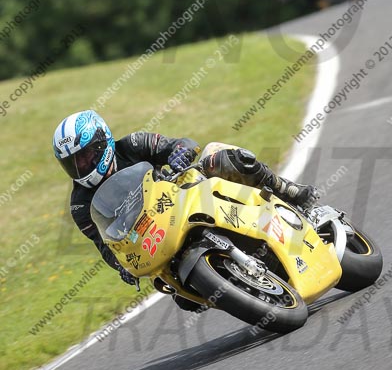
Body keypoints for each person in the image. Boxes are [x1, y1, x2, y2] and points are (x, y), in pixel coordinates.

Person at [53, 110, 318, 311]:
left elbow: (184, 143)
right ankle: (243, 289)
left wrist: (178, 155)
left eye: (85, 156)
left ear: (102, 143)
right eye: (72, 163)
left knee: (220, 156)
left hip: (180, 196)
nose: (81, 166)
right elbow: (105, 245)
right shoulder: (80, 204)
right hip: (152, 238)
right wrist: (121, 266)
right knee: (186, 300)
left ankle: (286, 189)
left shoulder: (132, 144)